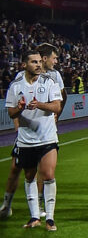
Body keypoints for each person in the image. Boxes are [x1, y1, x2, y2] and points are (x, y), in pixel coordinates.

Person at [4, 50, 62, 230]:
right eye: (34, 62)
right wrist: (20, 108)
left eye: (39, 62)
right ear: (24, 65)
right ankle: (34, 217)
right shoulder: (15, 86)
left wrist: (40, 105)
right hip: (26, 140)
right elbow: (11, 112)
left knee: (48, 175)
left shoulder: (49, 82)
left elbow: (57, 107)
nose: (38, 65)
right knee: (29, 176)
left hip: (47, 138)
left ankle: (50, 218)